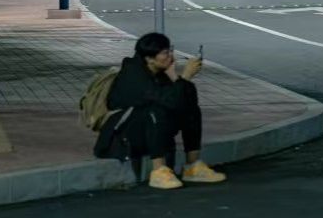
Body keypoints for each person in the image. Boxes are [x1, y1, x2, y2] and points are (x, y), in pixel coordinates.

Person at [95, 33, 226, 189]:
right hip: (122, 136)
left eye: (170, 51)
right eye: (165, 53)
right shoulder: (134, 74)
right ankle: (158, 171)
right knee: (154, 109)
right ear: (149, 58)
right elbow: (166, 101)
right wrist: (185, 77)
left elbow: (182, 100)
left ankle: (192, 166)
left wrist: (176, 78)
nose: (171, 56)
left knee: (190, 108)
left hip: (148, 130)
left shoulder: (159, 72)